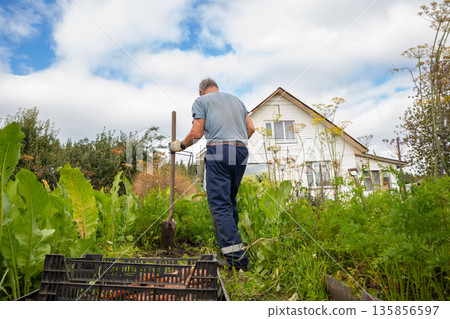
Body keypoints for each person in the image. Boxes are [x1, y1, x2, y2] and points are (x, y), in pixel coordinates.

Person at [170, 78, 255, 270]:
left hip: (219, 152)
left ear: (201, 92)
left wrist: (180, 145)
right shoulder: (236, 100)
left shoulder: (201, 101)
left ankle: (238, 261)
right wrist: (235, 143)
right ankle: (227, 247)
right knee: (229, 200)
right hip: (241, 151)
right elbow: (251, 128)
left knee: (219, 204)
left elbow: (197, 133)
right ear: (217, 89)